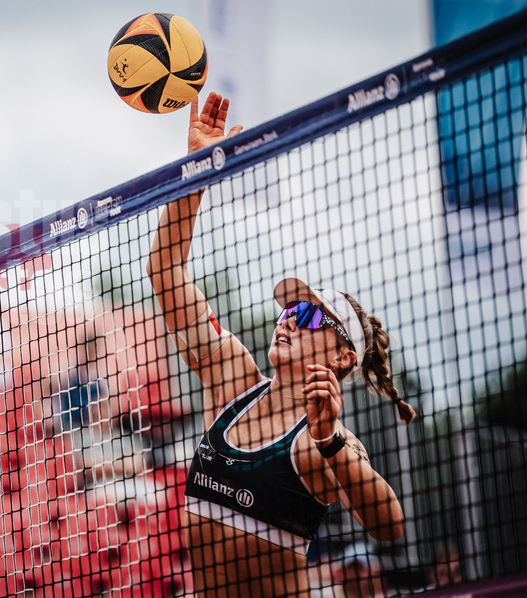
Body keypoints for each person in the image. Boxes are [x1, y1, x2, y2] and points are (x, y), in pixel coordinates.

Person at [146, 92, 415, 597]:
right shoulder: (232, 379)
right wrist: (194, 175)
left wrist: (331, 441)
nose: (288, 319)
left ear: (342, 357)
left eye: (309, 314)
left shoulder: (320, 442)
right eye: (288, 309)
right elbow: (165, 272)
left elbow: (391, 526)